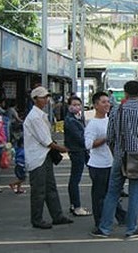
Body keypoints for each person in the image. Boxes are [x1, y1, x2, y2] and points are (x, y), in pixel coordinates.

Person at [91, 80, 138, 239]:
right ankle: (131, 229)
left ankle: (104, 228)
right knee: (135, 194)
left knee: (112, 192)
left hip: (120, 156)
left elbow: (110, 138)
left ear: (125, 93)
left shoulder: (115, 111)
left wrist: (116, 153)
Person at [23, 86, 73, 229]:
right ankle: (37, 219)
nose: (45, 100)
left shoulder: (41, 115)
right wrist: (62, 149)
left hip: (44, 156)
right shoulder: (34, 117)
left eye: (46, 97)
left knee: (50, 187)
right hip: (37, 157)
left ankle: (57, 215)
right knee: (39, 190)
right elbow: (46, 141)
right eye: (42, 97)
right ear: (35, 99)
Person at [84, 91, 126, 230]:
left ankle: (121, 216)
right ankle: (99, 222)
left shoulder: (110, 120)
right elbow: (88, 144)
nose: (107, 104)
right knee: (99, 196)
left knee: (112, 193)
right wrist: (106, 138)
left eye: (108, 102)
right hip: (98, 166)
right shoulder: (92, 124)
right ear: (95, 105)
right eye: (103, 102)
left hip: (111, 163)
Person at [64, 95, 91, 217]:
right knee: (75, 178)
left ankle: (74, 205)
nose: (76, 107)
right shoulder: (70, 120)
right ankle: (76, 206)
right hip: (77, 151)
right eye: (73, 105)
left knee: (76, 178)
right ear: (69, 106)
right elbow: (80, 137)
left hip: (81, 150)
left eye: (78, 105)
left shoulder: (78, 117)